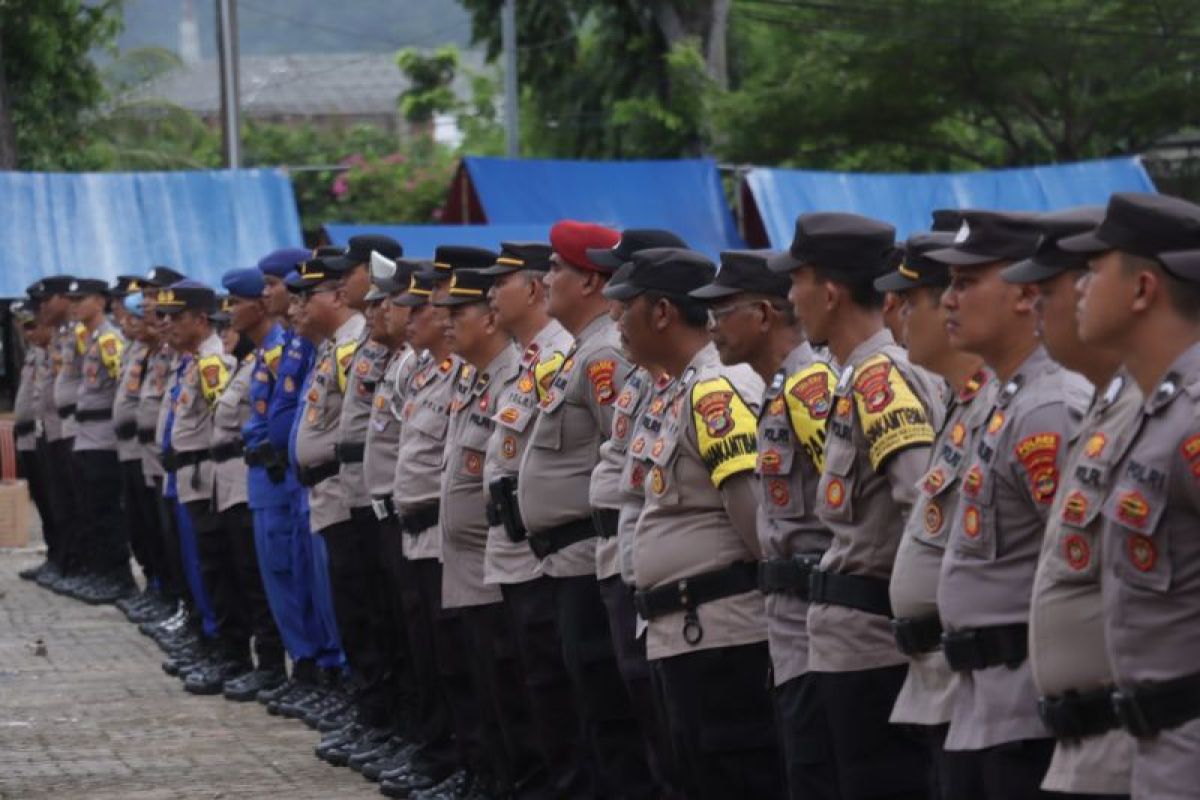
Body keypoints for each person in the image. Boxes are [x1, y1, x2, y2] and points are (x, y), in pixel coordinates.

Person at [771, 212, 942, 800]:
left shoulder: (880, 380)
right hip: (851, 647)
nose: (790, 298)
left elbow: (923, 508)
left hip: (874, 648)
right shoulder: (854, 378)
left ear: (830, 290)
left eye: (797, 281)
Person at [604, 247, 778, 799]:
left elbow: (756, 522)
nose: (614, 322)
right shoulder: (680, 388)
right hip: (686, 632)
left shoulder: (717, 391)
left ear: (660, 313)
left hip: (721, 636)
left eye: (623, 307)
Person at [930, 210, 1091, 798]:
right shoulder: (1008, 397)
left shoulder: (1049, 408)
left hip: (1025, 709)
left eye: (966, 282)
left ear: (1026, 295)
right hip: (985, 703)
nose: (947, 300)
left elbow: (1074, 568)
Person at [996, 206, 1137, 799]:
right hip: (1086, 740)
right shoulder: (1110, 408)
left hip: (1142, 743)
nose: (1044, 304)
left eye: (1047, 288)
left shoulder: (1168, 413)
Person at [1064, 192, 1200, 800]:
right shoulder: (1155, 412)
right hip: (1152, 756)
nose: (1076, 289)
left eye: (1092, 272)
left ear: (1143, 289)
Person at [693, 248, 839, 800]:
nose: (711, 327)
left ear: (763, 314)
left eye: (722, 311)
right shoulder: (782, 389)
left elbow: (848, 513)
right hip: (791, 629)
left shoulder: (810, 390)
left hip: (820, 629)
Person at [519, 220, 655, 798]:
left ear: (590, 281)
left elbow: (626, 465)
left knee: (609, 714)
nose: (546, 279)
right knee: (585, 708)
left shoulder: (605, 358)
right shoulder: (585, 352)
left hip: (589, 557)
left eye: (556, 268)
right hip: (569, 560)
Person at [875, 229, 994, 798]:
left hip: (990, 688)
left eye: (909, 299)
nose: (895, 312)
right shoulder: (962, 401)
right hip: (945, 679)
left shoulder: (1022, 407)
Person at [476, 241, 593, 797]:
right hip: (518, 547)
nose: (491, 293)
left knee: (556, 691)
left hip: (549, 553)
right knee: (525, 684)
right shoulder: (533, 361)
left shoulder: (566, 359)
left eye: (504, 281)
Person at [379, 267, 467, 799]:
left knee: (456, 661)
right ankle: (437, 752)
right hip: (412, 532)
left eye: (421, 309)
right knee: (426, 653)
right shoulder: (420, 372)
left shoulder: (460, 372)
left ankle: (458, 760)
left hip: (444, 538)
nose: (408, 319)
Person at [158, 279, 249, 693]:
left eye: (175, 317)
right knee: (204, 568)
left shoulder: (213, 365)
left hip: (208, 479)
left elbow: (222, 427)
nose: (166, 324)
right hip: (191, 479)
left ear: (199, 318)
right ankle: (215, 645)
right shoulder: (193, 361)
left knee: (219, 568)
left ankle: (229, 652)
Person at [209, 268, 289, 701]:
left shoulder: (275, 354)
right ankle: (265, 663)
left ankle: (275, 664)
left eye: (237, 302)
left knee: (262, 578)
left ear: (258, 305)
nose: (230, 312)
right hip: (248, 478)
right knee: (248, 574)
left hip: (260, 478)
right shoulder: (258, 357)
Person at [68, 277, 133, 604]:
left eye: (81, 299)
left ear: (99, 301)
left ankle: (117, 576)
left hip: (104, 438)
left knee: (107, 512)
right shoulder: (92, 339)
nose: (75, 305)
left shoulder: (109, 340)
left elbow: (123, 383)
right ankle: (102, 573)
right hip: (87, 436)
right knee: (92, 510)